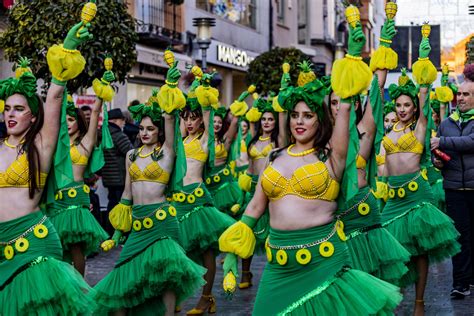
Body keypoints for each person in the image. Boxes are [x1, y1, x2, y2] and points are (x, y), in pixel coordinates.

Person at [219, 22, 402, 315]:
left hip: (322, 261)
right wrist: (231, 252)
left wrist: (353, 61)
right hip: (278, 265)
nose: (299, 121)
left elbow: (346, 109)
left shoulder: (332, 156)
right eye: (294, 115)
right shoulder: (275, 156)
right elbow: (254, 208)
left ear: (320, 120)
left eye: (307, 115)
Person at [92, 63, 206, 315]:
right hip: (138, 224)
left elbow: (169, 117)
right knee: (122, 276)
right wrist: (117, 235)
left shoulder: (167, 153)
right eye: (141, 128)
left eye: (150, 128)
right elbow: (126, 196)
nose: (144, 132)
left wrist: (170, 87)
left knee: (165, 278)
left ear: (158, 132)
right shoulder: (131, 155)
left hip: (163, 222)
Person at [0, 22, 95, 314]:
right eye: (8, 109)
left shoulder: (39, 147)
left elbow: (54, 98)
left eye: (20, 109)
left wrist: (65, 53)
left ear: (32, 116)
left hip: (33, 244)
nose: (12, 114)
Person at [380, 33, 460, 315]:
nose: (402, 109)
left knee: (421, 251)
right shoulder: (387, 130)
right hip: (393, 197)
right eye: (398, 105)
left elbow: (425, 92)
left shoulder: (420, 127)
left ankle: (419, 301)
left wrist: (424, 60)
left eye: (407, 105)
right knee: (391, 248)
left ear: (414, 108)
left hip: (416, 195)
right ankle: (395, 296)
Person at [174, 72, 235, 315]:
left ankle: (207, 297)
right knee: (180, 251)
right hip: (178, 200)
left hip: (198, 200)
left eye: (194, 118)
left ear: (201, 121)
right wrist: (177, 85)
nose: (190, 122)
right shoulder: (179, 139)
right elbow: (175, 112)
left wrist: (204, 87)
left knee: (206, 251)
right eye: (187, 118)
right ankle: (177, 293)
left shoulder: (204, 141)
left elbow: (209, 112)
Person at [236, 91, 287, 289]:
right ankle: (245, 273)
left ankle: (276, 273)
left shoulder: (278, 142)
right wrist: (244, 190)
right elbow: (250, 167)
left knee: (271, 235)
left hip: (273, 190)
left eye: (270, 119)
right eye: (264, 119)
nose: (266, 122)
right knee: (247, 231)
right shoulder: (253, 141)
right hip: (253, 189)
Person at [431, 79, 474, 298]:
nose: (461, 98)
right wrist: (436, 161)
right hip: (454, 188)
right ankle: (461, 283)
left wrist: (442, 142)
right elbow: (435, 151)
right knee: (460, 236)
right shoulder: (447, 122)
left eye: (466, 94)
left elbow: (470, 142)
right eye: (459, 94)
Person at [102, 108, 134, 234]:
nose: (124, 123)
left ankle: (109, 230)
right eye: (122, 120)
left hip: (108, 178)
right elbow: (131, 153)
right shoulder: (118, 135)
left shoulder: (104, 135)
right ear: (115, 121)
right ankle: (119, 230)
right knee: (121, 205)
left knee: (112, 203)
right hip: (120, 177)